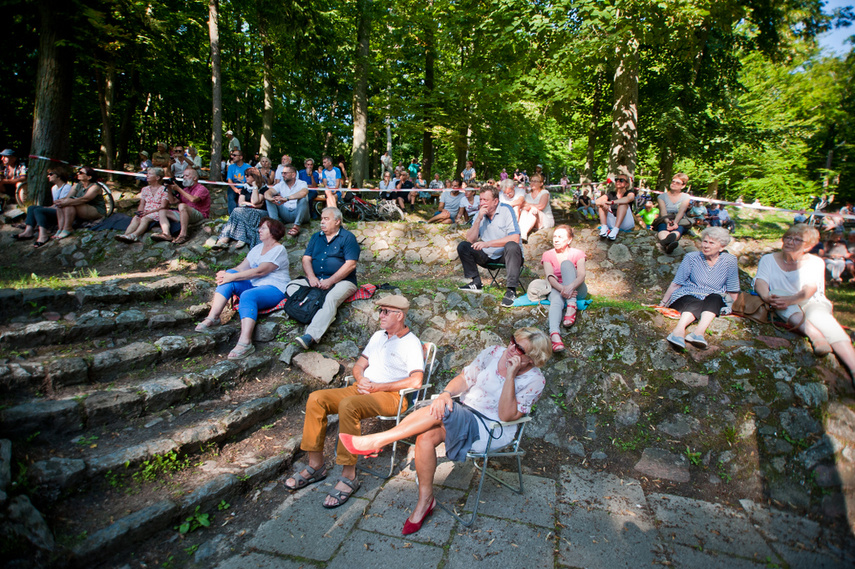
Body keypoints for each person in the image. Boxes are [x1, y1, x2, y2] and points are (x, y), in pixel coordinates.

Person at [340, 327, 550, 535]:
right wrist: (446, 393)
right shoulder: (494, 352)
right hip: (465, 412)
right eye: (512, 340)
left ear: (532, 358)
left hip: (490, 429)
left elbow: (505, 416)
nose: (511, 347)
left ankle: (377, 441)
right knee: (426, 436)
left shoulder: (535, 380)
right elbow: (465, 378)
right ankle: (425, 501)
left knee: (444, 412)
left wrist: (511, 376)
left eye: (519, 349)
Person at [284, 295, 424, 508]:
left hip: (392, 396)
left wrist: (378, 387)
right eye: (380, 311)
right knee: (317, 398)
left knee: (348, 406)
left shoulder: (411, 343)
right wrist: (361, 379)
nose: (380, 315)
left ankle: (349, 476)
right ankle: (316, 465)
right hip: (362, 389)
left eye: (385, 311)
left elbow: (416, 380)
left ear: (399, 315)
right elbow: (359, 365)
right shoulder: (378, 336)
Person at [755, 224, 855, 382]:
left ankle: (853, 368)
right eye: (788, 237)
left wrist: (790, 300)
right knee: (776, 294)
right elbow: (760, 281)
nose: (790, 242)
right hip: (781, 301)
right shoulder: (768, 259)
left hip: (811, 301)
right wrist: (766, 297)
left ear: (808, 246)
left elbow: (809, 289)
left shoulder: (815, 262)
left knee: (822, 318)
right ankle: (815, 335)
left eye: (797, 240)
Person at [195, 218, 290, 360]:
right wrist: (226, 274)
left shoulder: (279, 249)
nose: (259, 230)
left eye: (263, 228)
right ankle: (213, 317)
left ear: (273, 231)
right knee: (231, 275)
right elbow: (240, 268)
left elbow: (260, 271)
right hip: (254, 285)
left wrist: (231, 277)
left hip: (274, 288)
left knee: (247, 295)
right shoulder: (257, 248)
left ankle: (245, 342)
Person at [288, 207, 360, 349]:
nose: (322, 222)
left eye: (326, 219)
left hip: (342, 281)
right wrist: (312, 277)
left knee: (331, 298)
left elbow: (351, 264)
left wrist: (330, 281)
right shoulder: (316, 237)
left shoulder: (348, 237)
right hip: (316, 280)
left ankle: (311, 336)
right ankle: (316, 308)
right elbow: (306, 259)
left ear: (337, 221)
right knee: (291, 286)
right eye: (321, 218)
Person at [660, 227, 739, 350]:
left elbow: (733, 288)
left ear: (721, 247)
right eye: (705, 241)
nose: (706, 246)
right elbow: (677, 283)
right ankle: (678, 332)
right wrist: (663, 302)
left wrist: (732, 307)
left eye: (711, 243)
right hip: (687, 295)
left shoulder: (730, 261)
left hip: (712, 298)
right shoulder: (691, 257)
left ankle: (698, 333)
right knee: (695, 300)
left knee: (716, 297)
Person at [457, 185, 523, 308]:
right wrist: (478, 219)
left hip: (507, 255)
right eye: (480, 199)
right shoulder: (479, 213)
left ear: (495, 201)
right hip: (487, 256)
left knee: (512, 246)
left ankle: (511, 290)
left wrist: (488, 243)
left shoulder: (506, 210)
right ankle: (476, 282)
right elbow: (470, 240)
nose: (482, 203)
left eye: (485, 200)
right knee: (463, 246)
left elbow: (515, 238)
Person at [542, 225, 587, 352]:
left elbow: (582, 275)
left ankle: (572, 306)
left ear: (569, 240)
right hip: (557, 287)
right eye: (555, 237)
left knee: (566, 264)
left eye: (560, 237)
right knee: (556, 300)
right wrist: (563, 290)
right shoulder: (547, 255)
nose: (556, 240)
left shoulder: (578, 253)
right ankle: (554, 335)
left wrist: (570, 288)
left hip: (577, 288)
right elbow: (550, 277)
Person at [14, 166, 72, 246]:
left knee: (38, 210)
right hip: (56, 208)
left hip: (62, 212)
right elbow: (55, 203)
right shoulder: (54, 188)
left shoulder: (67, 188)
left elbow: (62, 204)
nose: (48, 176)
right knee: (31, 208)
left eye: (51, 174)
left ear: (59, 176)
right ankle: (28, 231)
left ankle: (43, 235)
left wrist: (47, 208)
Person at [212, 167, 267, 249]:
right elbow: (241, 202)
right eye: (245, 175)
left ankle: (225, 239)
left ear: (254, 176)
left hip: (260, 213)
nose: (246, 177)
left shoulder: (264, 189)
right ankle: (232, 239)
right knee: (237, 211)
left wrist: (255, 187)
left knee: (237, 212)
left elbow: (255, 201)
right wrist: (251, 204)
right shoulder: (245, 187)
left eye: (248, 175)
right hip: (246, 211)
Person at [156, 168, 211, 245]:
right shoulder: (185, 189)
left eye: (187, 175)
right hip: (184, 214)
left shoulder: (202, 189)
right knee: (162, 211)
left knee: (182, 206)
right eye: (183, 175)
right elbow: (172, 201)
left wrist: (178, 189)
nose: (184, 177)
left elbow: (193, 199)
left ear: (194, 178)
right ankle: (166, 234)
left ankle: (183, 235)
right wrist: (169, 189)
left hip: (199, 215)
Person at [116, 167, 171, 244]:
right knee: (136, 218)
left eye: (150, 174)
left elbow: (163, 206)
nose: (147, 175)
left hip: (157, 211)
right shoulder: (145, 189)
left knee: (145, 218)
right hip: (146, 211)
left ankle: (135, 235)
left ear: (157, 177)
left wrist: (147, 213)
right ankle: (126, 235)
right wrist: (140, 212)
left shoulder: (164, 189)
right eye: (147, 174)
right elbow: (142, 204)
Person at [52, 166, 107, 240]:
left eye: (81, 173)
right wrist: (60, 201)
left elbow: (85, 199)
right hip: (82, 207)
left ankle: (67, 228)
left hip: (96, 209)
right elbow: (68, 197)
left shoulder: (95, 187)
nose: (78, 174)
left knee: (69, 204)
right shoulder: (77, 185)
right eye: (78, 172)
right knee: (61, 204)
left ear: (89, 177)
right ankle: (60, 228)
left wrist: (68, 201)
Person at [264, 163, 309, 237]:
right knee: (268, 200)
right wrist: (272, 199)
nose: (282, 175)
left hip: (300, 213)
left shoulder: (302, 183)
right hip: (286, 213)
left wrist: (287, 198)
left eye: (285, 173)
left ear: (293, 175)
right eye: (282, 173)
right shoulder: (281, 184)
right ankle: (275, 225)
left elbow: (304, 192)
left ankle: (296, 226)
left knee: (303, 200)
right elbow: (267, 192)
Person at [656, 173, 691, 253]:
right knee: (662, 229)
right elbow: (663, 211)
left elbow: (681, 211)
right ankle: (668, 245)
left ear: (683, 186)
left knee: (678, 230)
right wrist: (668, 222)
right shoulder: (661, 197)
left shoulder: (686, 197)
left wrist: (675, 223)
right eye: (673, 181)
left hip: (679, 219)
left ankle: (667, 244)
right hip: (665, 218)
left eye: (677, 183)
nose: (674, 184)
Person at [595, 174, 635, 240]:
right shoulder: (611, 194)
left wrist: (611, 202)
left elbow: (629, 198)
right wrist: (604, 203)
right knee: (602, 204)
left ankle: (616, 230)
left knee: (623, 204)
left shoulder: (629, 193)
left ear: (627, 184)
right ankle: (604, 228)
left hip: (625, 222)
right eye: (616, 180)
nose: (618, 182)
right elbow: (597, 201)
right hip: (612, 221)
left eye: (621, 180)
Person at [518, 173, 554, 242]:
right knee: (524, 211)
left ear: (541, 184)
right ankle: (520, 232)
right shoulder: (527, 195)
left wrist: (529, 206)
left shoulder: (544, 192)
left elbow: (541, 206)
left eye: (535, 181)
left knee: (533, 210)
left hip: (545, 220)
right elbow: (522, 206)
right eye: (531, 181)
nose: (533, 183)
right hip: (532, 220)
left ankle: (523, 233)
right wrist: (530, 206)